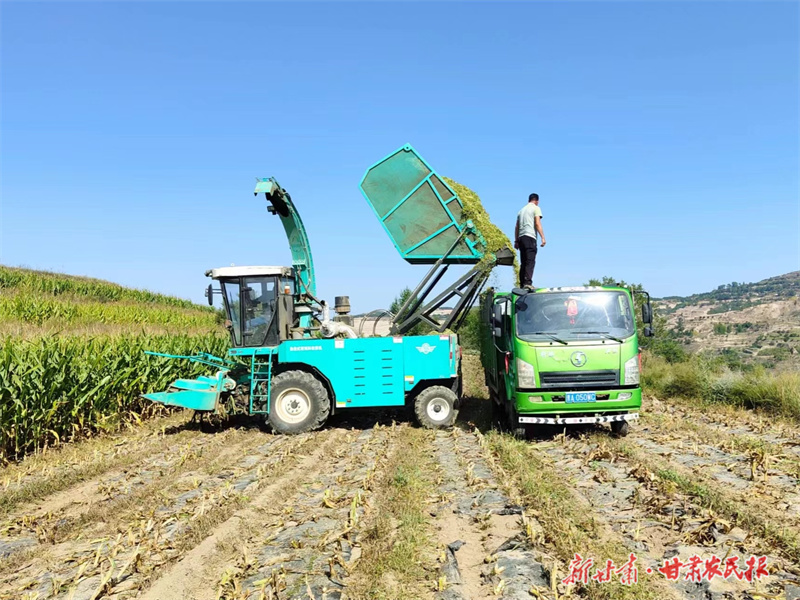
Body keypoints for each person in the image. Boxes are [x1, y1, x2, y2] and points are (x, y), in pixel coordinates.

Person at [514, 193, 546, 289]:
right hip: (530, 236)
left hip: (521, 238)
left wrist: (516, 241)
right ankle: (527, 283)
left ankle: (522, 284)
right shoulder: (536, 208)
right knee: (530, 260)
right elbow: (537, 223)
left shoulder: (521, 211)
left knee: (523, 262)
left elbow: (517, 227)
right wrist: (543, 237)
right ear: (537, 201)